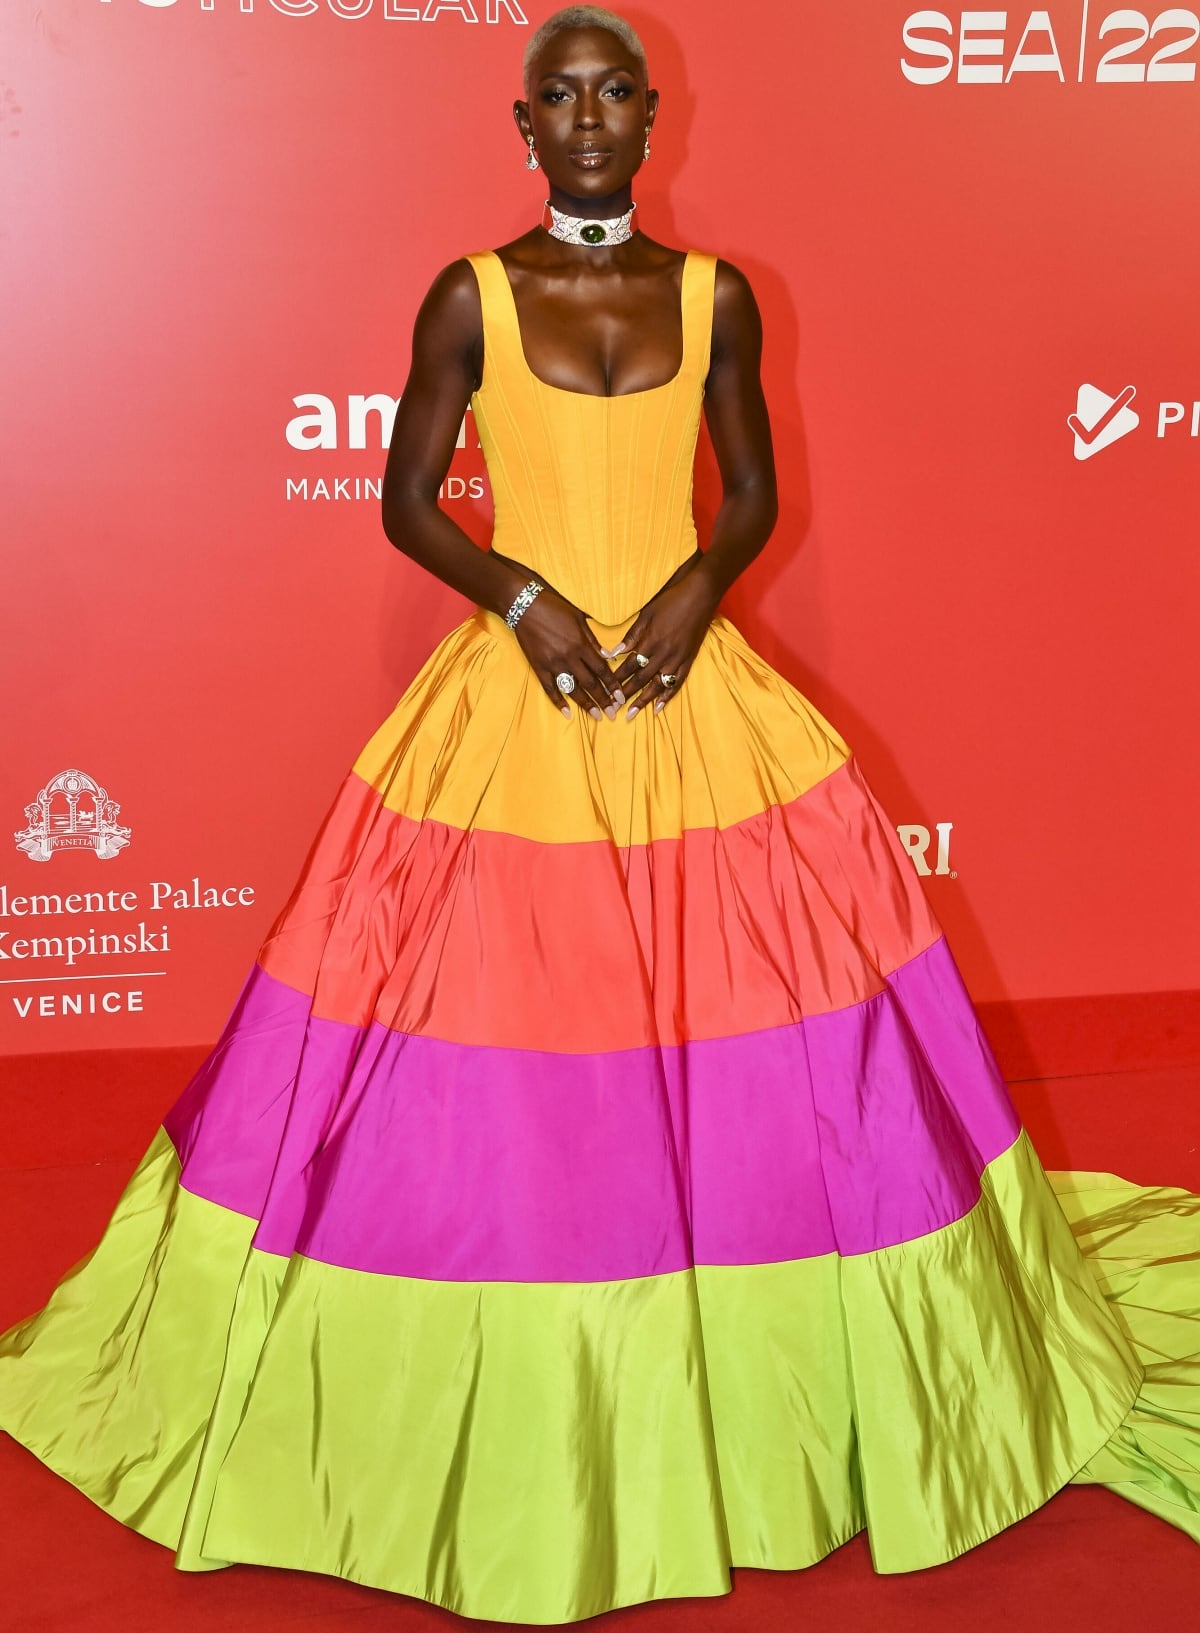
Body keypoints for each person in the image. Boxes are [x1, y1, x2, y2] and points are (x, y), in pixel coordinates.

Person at [1, 7, 1197, 1623]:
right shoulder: (466, 295)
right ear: (523, 120)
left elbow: (754, 485)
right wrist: (519, 598)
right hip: (527, 697)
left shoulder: (717, 297)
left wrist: (704, 590)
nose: (585, 119)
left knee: (780, 1051)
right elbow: (406, 494)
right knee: (516, 1045)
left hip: (694, 693)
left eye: (609, 93)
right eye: (556, 96)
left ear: (651, 116)